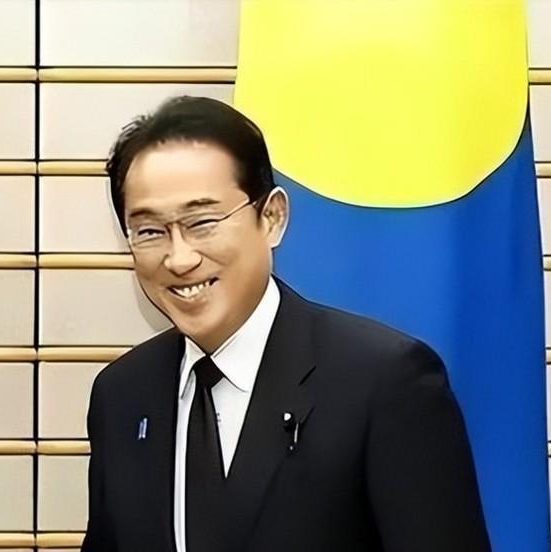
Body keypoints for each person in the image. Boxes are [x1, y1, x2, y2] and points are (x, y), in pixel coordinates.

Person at [80, 96, 490, 551]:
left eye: (202, 222)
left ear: (272, 217)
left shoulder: (385, 382)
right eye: (150, 231)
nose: (179, 258)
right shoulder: (122, 395)